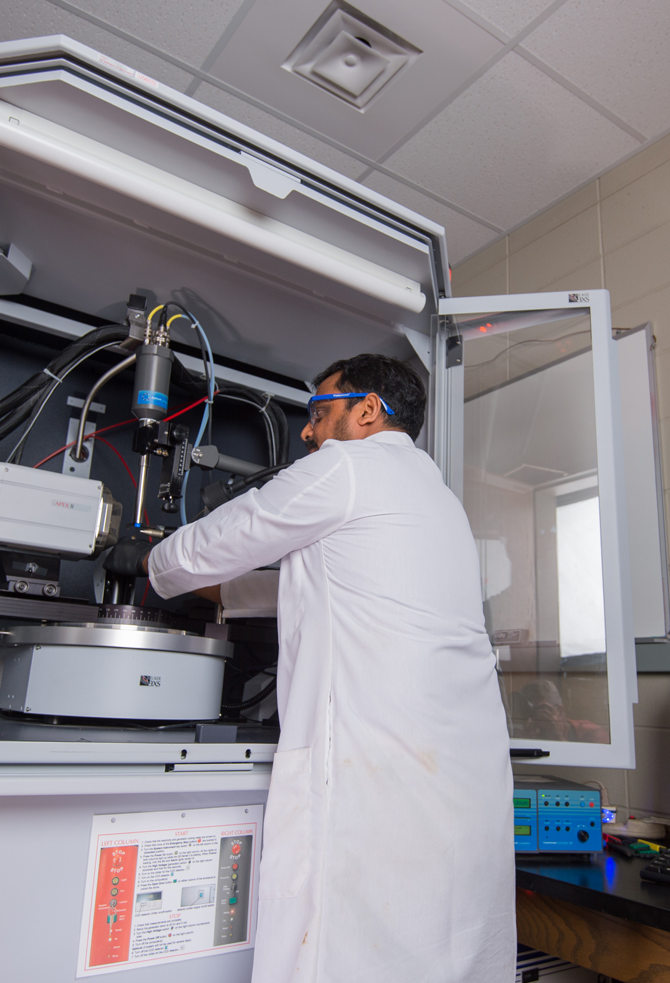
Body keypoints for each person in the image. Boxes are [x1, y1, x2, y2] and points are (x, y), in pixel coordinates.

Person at [105, 354, 515, 983]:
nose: (305, 432)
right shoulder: (436, 501)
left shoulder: (348, 467)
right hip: (458, 787)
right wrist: (216, 593)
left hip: (378, 779)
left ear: (368, 410)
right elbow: (327, 583)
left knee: (350, 952)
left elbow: (232, 532)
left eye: (319, 413)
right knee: (441, 950)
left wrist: (148, 559)